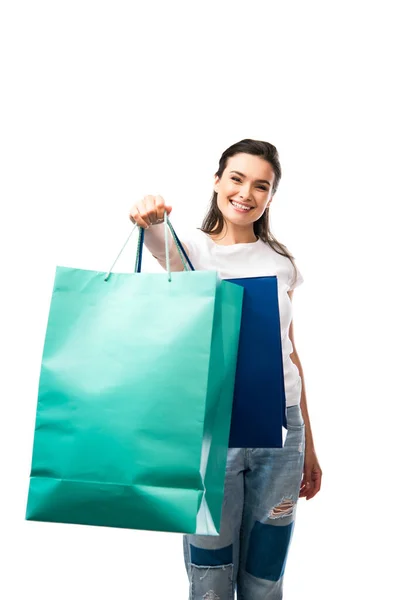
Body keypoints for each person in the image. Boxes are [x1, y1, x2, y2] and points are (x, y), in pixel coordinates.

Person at [129, 138, 322, 600]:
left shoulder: (282, 264)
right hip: (211, 431)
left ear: (271, 197)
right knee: (210, 572)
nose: (246, 193)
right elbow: (155, 236)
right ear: (217, 181)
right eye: (237, 178)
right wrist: (150, 214)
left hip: (280, 431)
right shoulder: (191, 249)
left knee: (266, 572)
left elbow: (289, 353)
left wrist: (309, 445)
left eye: (261, 185)